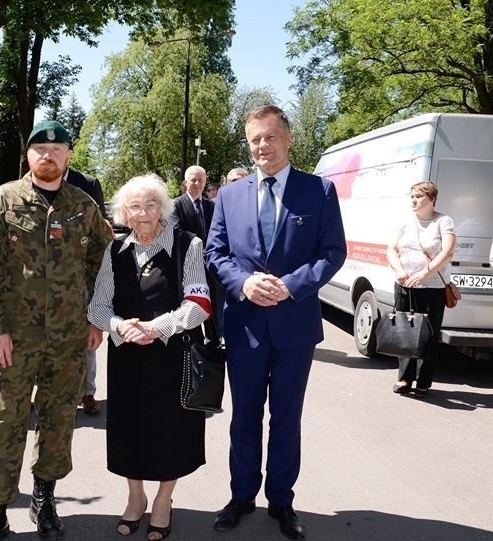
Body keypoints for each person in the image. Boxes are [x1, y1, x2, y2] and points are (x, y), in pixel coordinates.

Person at [205, 105, 346, 541]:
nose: (262, 146)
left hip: (294, 326)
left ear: (287, 138)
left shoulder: (318, 191)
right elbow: (216, 253)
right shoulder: (230, 195)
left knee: (286, 416)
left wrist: (290, 286)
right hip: (245, 325)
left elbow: (332, 252)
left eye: (269, 137)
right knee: (244, 416)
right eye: (254, 140)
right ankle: (242, 494)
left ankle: (281, 500)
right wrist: (244, 284)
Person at [0, 120, 112, 541]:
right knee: (4, 421)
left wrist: (95, 318)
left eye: (57, 148)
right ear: (28, 155)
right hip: (14, 338)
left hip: (68, 340)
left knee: (58, 421)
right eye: (39, 148)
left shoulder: (83, 206)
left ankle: (44, 497)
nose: (47, 155)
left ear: (68, 155)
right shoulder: (4, 201)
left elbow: (105, 266)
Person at [88, 173, 210, 540]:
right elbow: (97, 306)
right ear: (124, 212)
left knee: (171, 431)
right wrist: (121, 327)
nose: (143, 213)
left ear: (164, 208)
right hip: (127, 359)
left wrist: (156, 328)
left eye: (151, 204)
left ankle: (163, 500)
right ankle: (136, 497)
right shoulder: (115, 250)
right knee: (130, 429)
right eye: (135, 206)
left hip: (172, 357)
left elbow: (200, 304)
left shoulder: (188, 245)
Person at [386, 181, 455, 398]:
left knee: (428, 335)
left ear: (432, 199)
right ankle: (405, 378)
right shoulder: (406, 222)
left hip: (432, 288)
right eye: (412, 196)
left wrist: (424, 273)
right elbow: (391, 249)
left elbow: (448, 252)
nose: (414, 200)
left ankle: (424, 381)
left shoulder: (443, 221)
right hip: (405, 286)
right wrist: (398, 270)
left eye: (419, 196)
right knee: (405, 332)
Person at [63, 165, 108, 416]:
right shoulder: (38, 183)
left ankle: (88, 392)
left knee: (86, 337)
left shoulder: (88, 183)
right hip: (44, 280)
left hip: (81, 275)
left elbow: (99, 231)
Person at [172, 165, 219, 346]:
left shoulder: (211, 206)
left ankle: (213, 341)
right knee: (192, 303)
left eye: (201, 180)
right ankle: (192, 342)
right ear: (185, 182)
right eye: (193, 179)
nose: (197, 183)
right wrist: (198, 248)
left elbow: (217, 232)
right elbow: (176, 231)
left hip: (210, 265)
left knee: (211, 304)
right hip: (188, 265)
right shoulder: (176, 205)